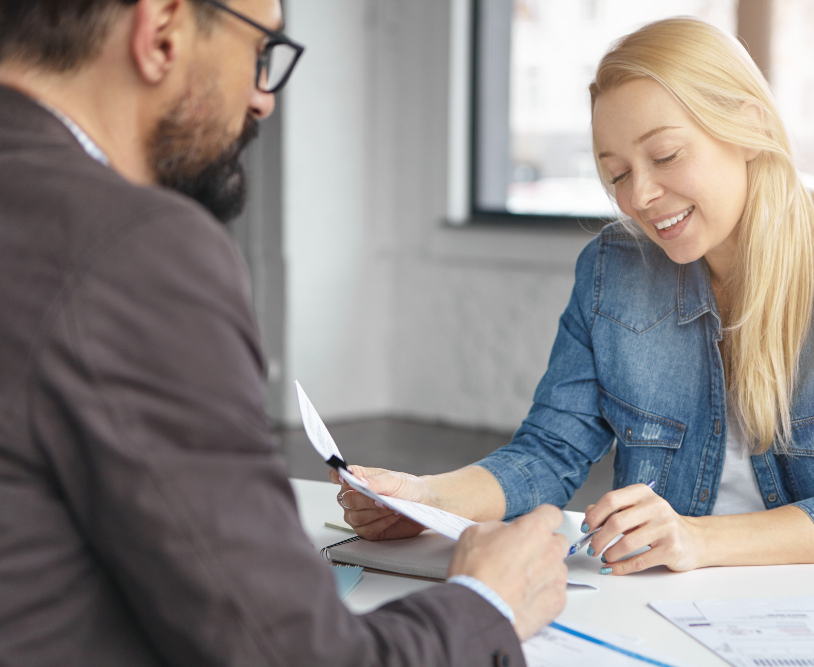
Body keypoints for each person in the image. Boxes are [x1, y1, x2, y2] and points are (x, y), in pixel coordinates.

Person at [0, 0, 569, 665]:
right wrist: (487, 601)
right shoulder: (134, 248)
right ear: (162, 31)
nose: (263, 99)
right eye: (259, 52)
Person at [338, 18, 814, 574]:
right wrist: (425, 498)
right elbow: (550, 453)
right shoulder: (613, 268)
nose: (641, 196)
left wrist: (698, 541)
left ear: (750, 127)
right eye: (618, 174)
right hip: (658, 609)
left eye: (664, 155)